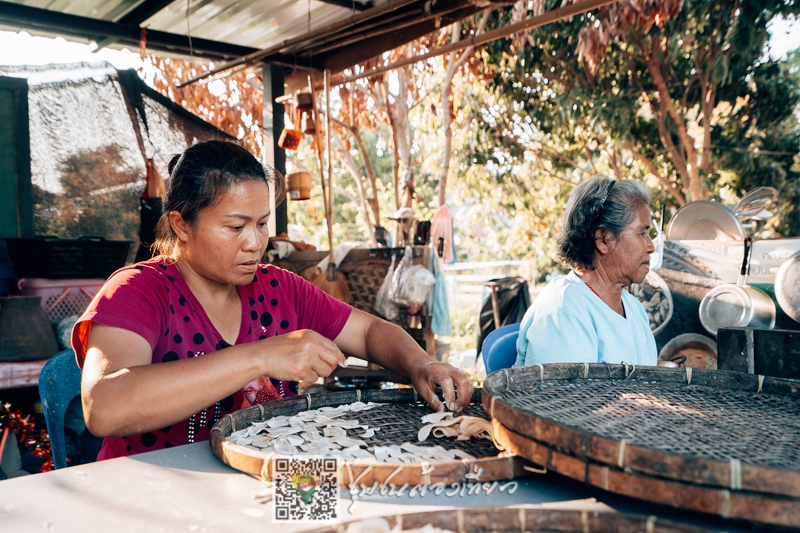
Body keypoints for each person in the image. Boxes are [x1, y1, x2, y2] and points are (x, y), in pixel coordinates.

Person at [72, 140, 472, 460]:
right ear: (181, 225)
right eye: (235, 227)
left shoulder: (280, 288)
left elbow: (368, 331)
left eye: (262, 224)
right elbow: (104, 406)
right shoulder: (138, 291)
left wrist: (421, 364)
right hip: (154, 498)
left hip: (259, 488)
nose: (254, 243)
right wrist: (261, 356)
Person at [514, 175, 657, 367]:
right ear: (603, 239)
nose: (651, 246)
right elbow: (565, 396)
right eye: (642, 233)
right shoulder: (564, 313)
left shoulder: (633, 308)